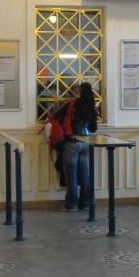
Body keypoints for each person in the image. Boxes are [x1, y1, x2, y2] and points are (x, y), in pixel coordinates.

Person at [55, 82, 98, 211]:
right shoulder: (91, 106)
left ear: (80, 91)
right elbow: (93, 128)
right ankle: (85, 203)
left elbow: (56, 116)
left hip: (71, 142)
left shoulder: (71, 104)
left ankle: (72, 204)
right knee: (84, 174)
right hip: (85, 143)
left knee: (71, 175)